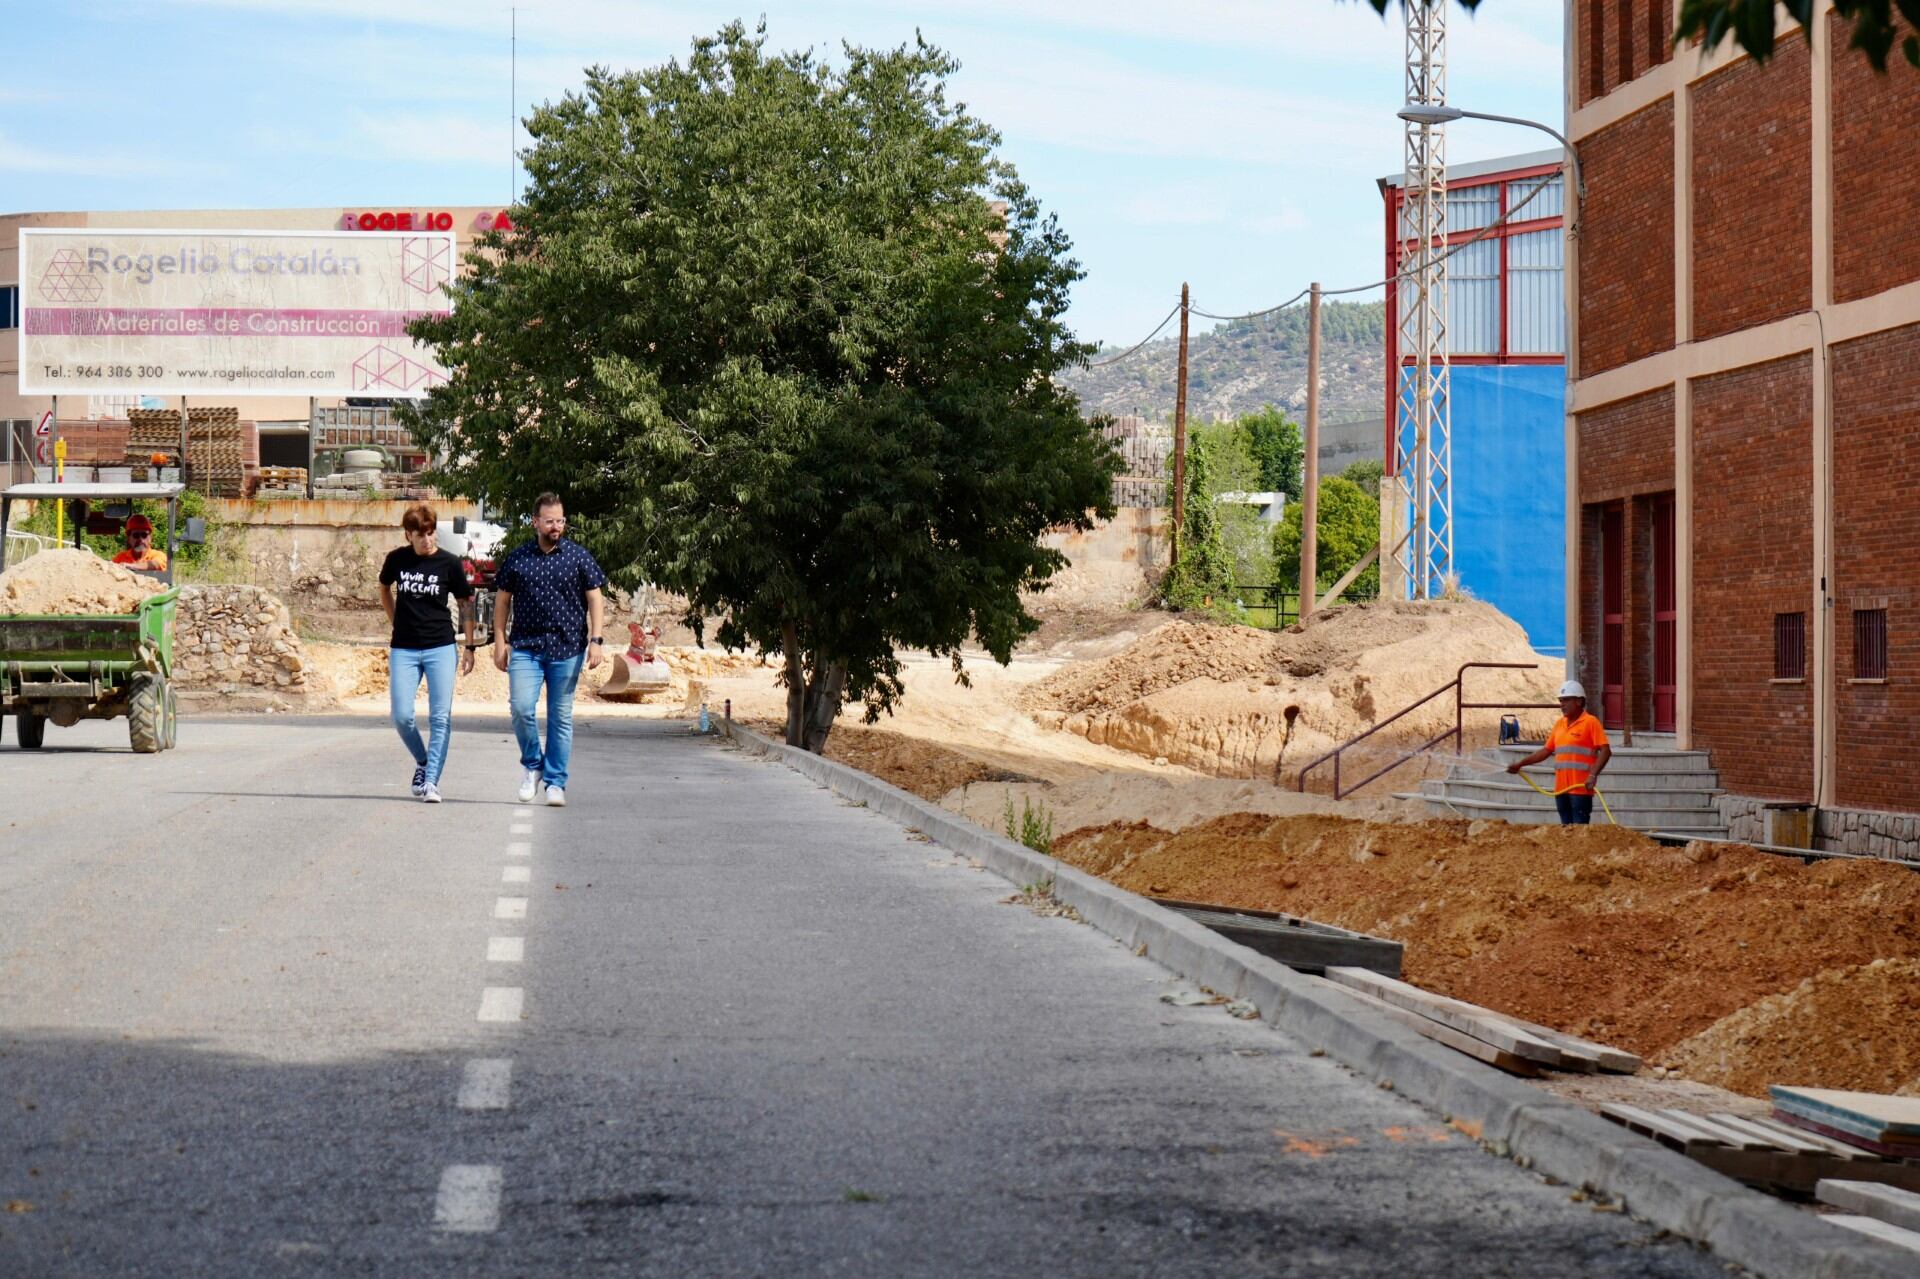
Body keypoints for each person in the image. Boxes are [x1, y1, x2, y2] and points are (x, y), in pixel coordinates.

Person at [492, 493, 607, 807]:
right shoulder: (518, 558)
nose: (556, 526)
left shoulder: (579, 557)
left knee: (560, 718)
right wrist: (499, 641)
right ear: (536, 522)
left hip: (567, 648)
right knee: (520, 709)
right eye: (550, 521)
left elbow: (595, 598)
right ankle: (533, 766)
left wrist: (596, 641)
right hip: (526, 647)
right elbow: (502, 601)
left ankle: (556, 782)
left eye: (560, 520)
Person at [380, 504, 476, 804]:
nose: (427, 540)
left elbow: (465, 603)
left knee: (440, 718)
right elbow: (384, 588)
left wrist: (470, 645)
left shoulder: (449, 563)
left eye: (431, 533)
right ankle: (422, 761)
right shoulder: (397, 559)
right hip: (404, 648)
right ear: (408, 535)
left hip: (441, 647)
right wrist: (394, 619)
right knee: (401, 716)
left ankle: (432, 781)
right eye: (420, 535)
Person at [1507, 680, 1612, 825]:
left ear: (1579, 701)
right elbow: (1546, 751)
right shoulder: (1559, 724)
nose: (1562, 704)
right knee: (1565, 832)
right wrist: (1521, 764)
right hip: (1561, 789)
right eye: (1561, 701)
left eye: (1566, 700)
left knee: (1579, 832)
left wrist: (1592, 775)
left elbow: (1606, 751)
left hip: (1580, 789)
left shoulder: (1590, 722)